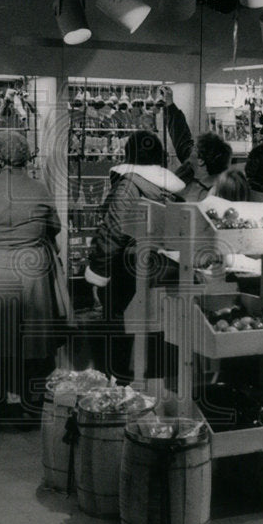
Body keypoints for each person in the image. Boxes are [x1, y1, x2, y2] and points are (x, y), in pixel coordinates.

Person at [0, 131, 63, 425]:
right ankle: (28, 403)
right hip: (30, 269)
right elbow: (55, 227)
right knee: (31, 344)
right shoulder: (40, 190)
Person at [85, 129, 185, 384]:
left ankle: (119, 396)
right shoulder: (173, 190)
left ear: (129, 154)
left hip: (127, 274)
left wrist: (98, 275)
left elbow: (112, 232)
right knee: (156, 341)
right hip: (164, 273)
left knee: (120, 341)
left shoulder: (129, 185)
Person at [179, 133, 233, 202]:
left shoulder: (207, 192)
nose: (190, 152)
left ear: (200, 160)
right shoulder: (222, 186)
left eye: (194, 149)